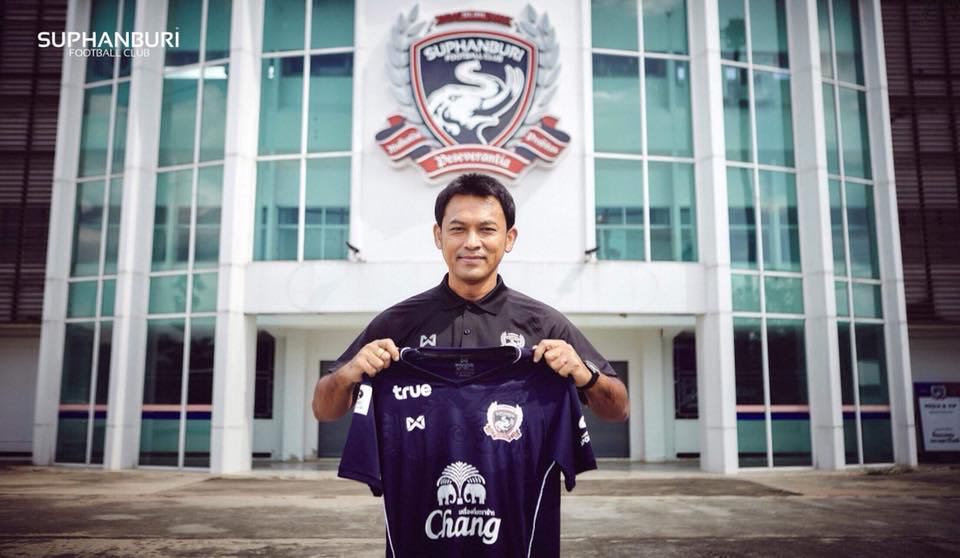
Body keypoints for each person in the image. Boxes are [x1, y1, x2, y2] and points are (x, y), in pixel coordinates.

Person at [312, 172, 630, 423]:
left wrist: (586, 376)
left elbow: (619, 410)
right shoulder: (397, 323)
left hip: (518, 489)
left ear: (509, 238)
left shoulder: (544, 325)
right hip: (418, 487)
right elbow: (323, 410)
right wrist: (349, 374)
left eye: (487, 230)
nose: (472, 243)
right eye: (458, 229)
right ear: (439, 236)